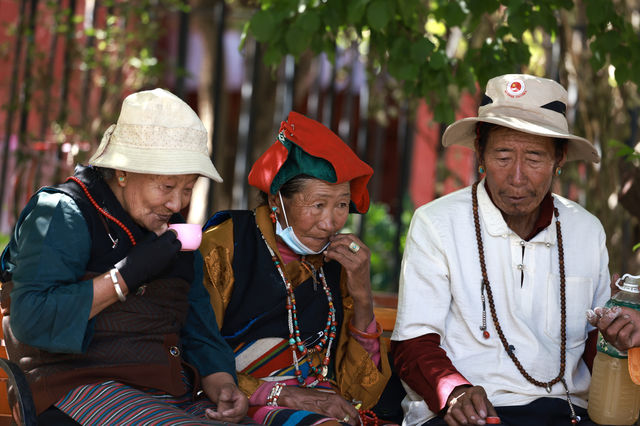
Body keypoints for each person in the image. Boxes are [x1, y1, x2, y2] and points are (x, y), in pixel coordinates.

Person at [0, 89, 249, 425]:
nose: (177, 204)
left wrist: (221, 382)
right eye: (166, 187)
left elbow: (198, 327)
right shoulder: (62, 214)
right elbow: (32, 320)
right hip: (74, 389)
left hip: (164, 394)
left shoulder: (171, 231)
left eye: (187, 188)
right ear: (122, 172)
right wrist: (125, 277)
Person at [391, 74, 610, 426]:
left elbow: (596, 346)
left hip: (567, 412)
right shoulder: (436, 223)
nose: (517, 176)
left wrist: (620, 340)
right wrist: (454, 391)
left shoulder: (586, 229)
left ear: (560, 159)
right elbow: (412, 343)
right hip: (471, 412)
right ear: (480, 153)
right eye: (503, 155)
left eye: (535, 158)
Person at [199, 111, 392, 425]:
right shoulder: (227, 244)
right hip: (243, 404)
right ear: (277, 201)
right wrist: (279, 395)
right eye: (318, 204)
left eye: (342, 204)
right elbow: (196, 351)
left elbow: (360, 393)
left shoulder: (339, 264)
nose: (330, 223)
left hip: (326, 404)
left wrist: (362, 296)